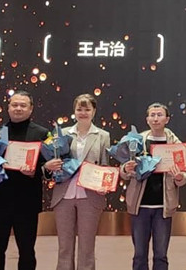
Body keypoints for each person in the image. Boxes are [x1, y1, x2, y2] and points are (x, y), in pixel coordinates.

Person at [0, 90, 49, 270]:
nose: (18, 108)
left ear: (31, 109)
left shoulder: (43, 134)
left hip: (27, 203)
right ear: (8, 108)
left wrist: (35, 171)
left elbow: (50, 167)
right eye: (14, 105)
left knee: (27, 252)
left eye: (23, 105)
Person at [44, 94, 111, 270]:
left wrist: (104, 184)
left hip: (90, 196)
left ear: (94, 111)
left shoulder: (103, 135)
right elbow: (51, 161)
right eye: (79, 109)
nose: (83, 113)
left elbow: (105, 165)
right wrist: (50, 167)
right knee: (64, 247)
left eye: (87, 109)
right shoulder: (61, 134)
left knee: (87, 247)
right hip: (64, 195)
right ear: (74, 111)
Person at [121, 102, 186, 270]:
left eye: (159, 115)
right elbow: (124, 171)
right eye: (152, 115)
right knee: (139, 254)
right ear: (147, 119)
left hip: (163, 207)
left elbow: (183, 176)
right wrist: (126, 169)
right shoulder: (137, 141)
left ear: (167, 119)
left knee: (161, 255)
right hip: (139, 206)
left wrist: (179, 177)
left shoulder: (175, 144)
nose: (155, 118)